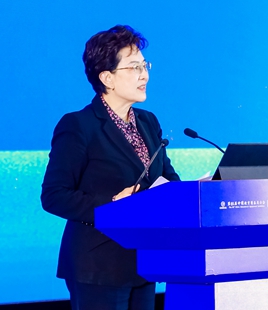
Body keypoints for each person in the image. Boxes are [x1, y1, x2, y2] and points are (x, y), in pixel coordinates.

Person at [41, 25, 180, 310]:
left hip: (143, 261)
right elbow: (54, 195)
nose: (144, 75)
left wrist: (187, 193)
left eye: (145, 65)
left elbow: (166, 177)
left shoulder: (148, 121)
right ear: (107, 78)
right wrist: (113, 205)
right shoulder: (79, 126)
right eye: (134, 67)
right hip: (98, 265)